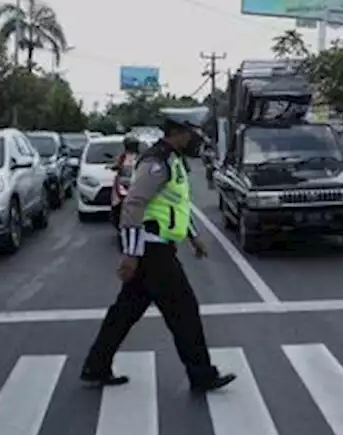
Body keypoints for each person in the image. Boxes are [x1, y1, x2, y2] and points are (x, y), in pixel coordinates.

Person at [80, 110, 236, 392]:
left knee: (125, 312)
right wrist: (131, 253)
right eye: (193, 134)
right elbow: (134, 205)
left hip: (156, 249)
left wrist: (193, 235)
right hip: (152, 252)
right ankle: (202, 375)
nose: (196, 140)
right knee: (184, 311)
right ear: (179, 132)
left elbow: (175, 204)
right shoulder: (157, 162)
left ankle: (95, 366)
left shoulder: (174, 161)